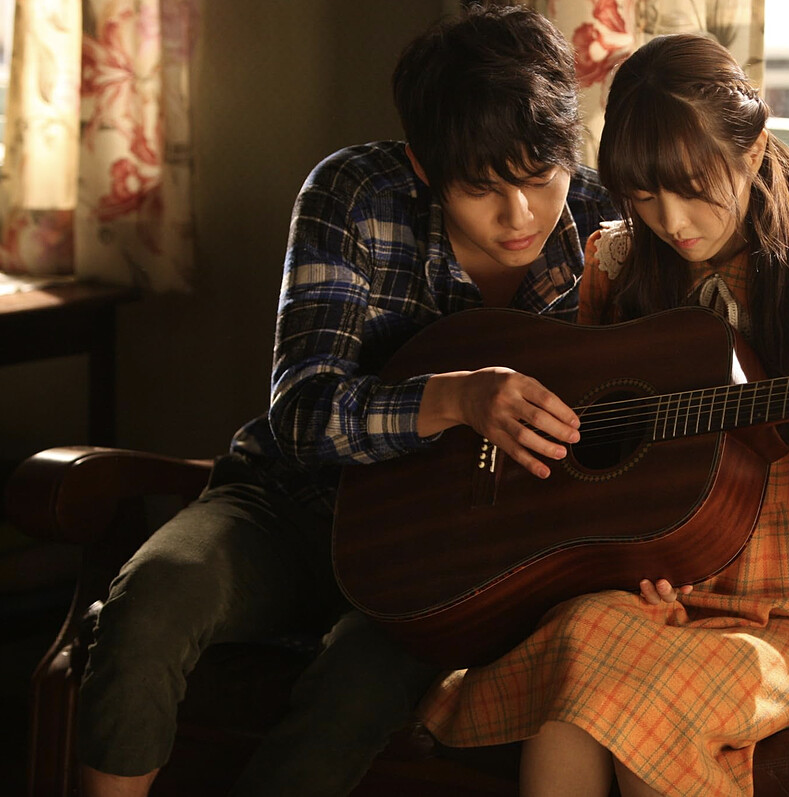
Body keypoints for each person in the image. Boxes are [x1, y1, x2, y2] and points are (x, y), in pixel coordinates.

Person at [74, 4, 617, 796]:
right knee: (155, 595)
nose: (520, 216)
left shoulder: (605, 226)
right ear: (425, 166)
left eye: (541, 179)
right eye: (483, 189)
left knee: (357, 687)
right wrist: (457, 399)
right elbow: (302, 411)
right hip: (294, 504)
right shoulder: (356, 192)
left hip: (449, 555)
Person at [418, 32, 789, 796]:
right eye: (645, 196)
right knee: (575, 670)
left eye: (692, 188)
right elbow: (594, 459)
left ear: (752, 150)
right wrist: (628, 563)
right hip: (661, 586)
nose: (673, 221)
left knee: (644, 712)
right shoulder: (615, 261)